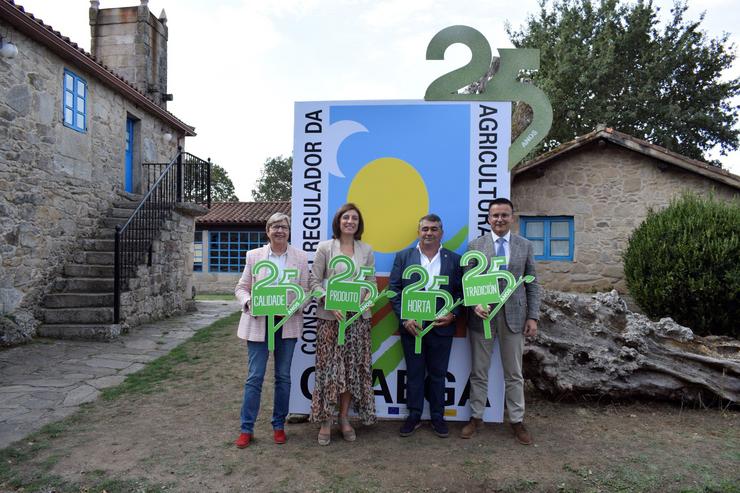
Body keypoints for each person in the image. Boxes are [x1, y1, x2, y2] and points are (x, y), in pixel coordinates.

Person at [460, 198, 541, 445]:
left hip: (514, 317)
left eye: (504, 215)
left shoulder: (524, 245)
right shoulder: (476, 245)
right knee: (479, 371)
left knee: (514, 373)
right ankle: (476, 417)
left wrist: (533, 316)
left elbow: (532, 283)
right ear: (488, 218)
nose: (499, 219)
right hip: (482, 318)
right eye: (495, 215)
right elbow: (466, 281)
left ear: (512, 218)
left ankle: (517, 420)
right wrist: (475, 304)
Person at [233, 213, 309, 448]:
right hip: (259, 323)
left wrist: (293, 307)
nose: (279, 231)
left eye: (284, 227)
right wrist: (249, 303)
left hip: (286, 325)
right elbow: (242, 288)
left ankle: (278, 425)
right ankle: (247, 428)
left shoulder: (300, 257)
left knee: (283, 377)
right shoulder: (254, 256)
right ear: (267, 231)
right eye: (275, 226)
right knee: (254, 377)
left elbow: (305, 293)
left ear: (289, 231)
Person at [389, 214, 462, 438]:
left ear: (442, 232)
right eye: (425, 229)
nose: (429, 233)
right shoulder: (404, 257)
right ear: (418, 232)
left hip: (441, 326)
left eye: (434, 229)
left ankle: (438, 417)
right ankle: (414, 415)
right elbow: (394, 290)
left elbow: (461, 293)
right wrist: (405, 318)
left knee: (439, 374)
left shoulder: (454, 259)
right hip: (413, 327)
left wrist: (453, 314)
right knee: (414, 373)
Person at [309, 203, 377, 445]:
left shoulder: (366, 249)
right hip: (330, 320)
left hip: (357, 321)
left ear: (359, 224)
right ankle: (325, 420)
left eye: (354, 218)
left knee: (350, 371)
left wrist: (363, 305)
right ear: (338, 221)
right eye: (346, 217)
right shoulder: (325, 247)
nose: (350, 221)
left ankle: (344, 418)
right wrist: (329, 302)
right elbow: (314, 282)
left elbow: (371, 284)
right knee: (329, 370)